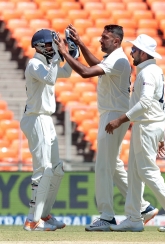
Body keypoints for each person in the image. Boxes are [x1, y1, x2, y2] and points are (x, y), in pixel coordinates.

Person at [53, 25, 158, 231]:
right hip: (113, 112)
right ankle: (143, 207)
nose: (101, 40)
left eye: (105, 38)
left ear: (116, 41)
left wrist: (65, 52)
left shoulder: (118, 59)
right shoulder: (115, 57)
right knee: (114, 165)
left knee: (103, 166)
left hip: (113, 115)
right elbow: (95, 64)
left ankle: (107, 216)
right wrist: (81, 43)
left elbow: (85, 72)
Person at [104, 34, 165, 232]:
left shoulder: (147, 73)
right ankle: (134, 218)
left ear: (143, 53)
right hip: (151, 126)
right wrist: (161, 137)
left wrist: (120, 120)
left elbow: (145, 103)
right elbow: (163, 105)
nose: (131, 52)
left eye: (134, 50)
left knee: (147, 172)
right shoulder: (154, 71)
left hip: (146, 126)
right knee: (134, 173)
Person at [21, 29, 74, 231]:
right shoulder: (35, 64)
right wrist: (58, 57)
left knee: (57, 170)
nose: (53, 48)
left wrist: (70, 54)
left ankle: (44, 215)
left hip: (45, 119)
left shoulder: (44, 64)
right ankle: (32, 221)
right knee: (43, 170)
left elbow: (67, 73)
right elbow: (51, 78)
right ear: (40, 46)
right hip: (36, 118)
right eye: (51, 45)